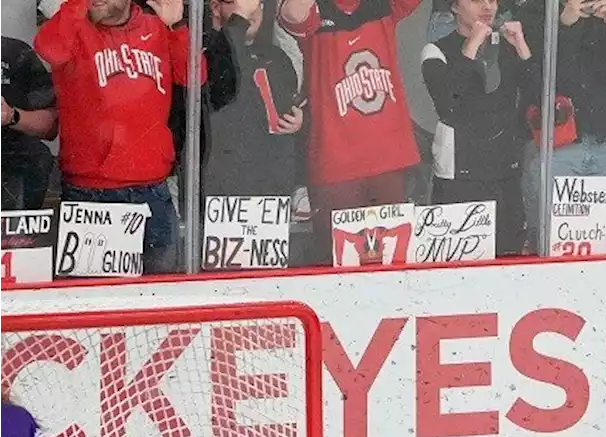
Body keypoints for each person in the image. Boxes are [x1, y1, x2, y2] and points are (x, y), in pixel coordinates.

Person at [34, 0, 206, 274]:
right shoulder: (73, 24)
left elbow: (195, 77)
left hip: (152, 190)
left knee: (161, 299)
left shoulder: (157, 27)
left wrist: (177, 27)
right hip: (88, 192)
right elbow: (50, 49)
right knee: (91, 304)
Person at [279, 0, 423, 263]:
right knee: (337, 266)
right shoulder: (315, 9)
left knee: (393, 264)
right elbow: (291, 14)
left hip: (388, 155)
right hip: (335, 161)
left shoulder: (383, 6)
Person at [422, 0, 537, 255]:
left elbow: (538, 96)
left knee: (509, 254)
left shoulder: (506, 45)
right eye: (476, 0)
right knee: (458, 259)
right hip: (460, 173)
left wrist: (521, 47)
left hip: (504, 169)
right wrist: (471, 46)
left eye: (493, 0)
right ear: (453, 7)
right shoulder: (436, 49)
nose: (488, 6)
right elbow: (448, 105)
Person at [519, 0, 606, 237]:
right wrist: (565, 24)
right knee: (553, 237)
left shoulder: (601, 12)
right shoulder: (537, 9)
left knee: (598, 236)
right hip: (556, 145)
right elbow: (540, 77)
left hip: (601, 139)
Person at [205, 0, 305, 199]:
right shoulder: (206, 54)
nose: (251, 9)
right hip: (224, 193)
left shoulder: (277, 56)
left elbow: (295, 105)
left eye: (256, 2)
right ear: (216, 8)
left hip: (273, 190)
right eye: (240, 2)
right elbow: (222, 76)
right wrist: (238, 20)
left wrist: (301, 120)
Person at [0, 34, 58, 211]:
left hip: (12, 172)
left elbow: (50, 127)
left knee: (37, 154)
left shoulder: (15, 52)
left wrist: (11, 116)